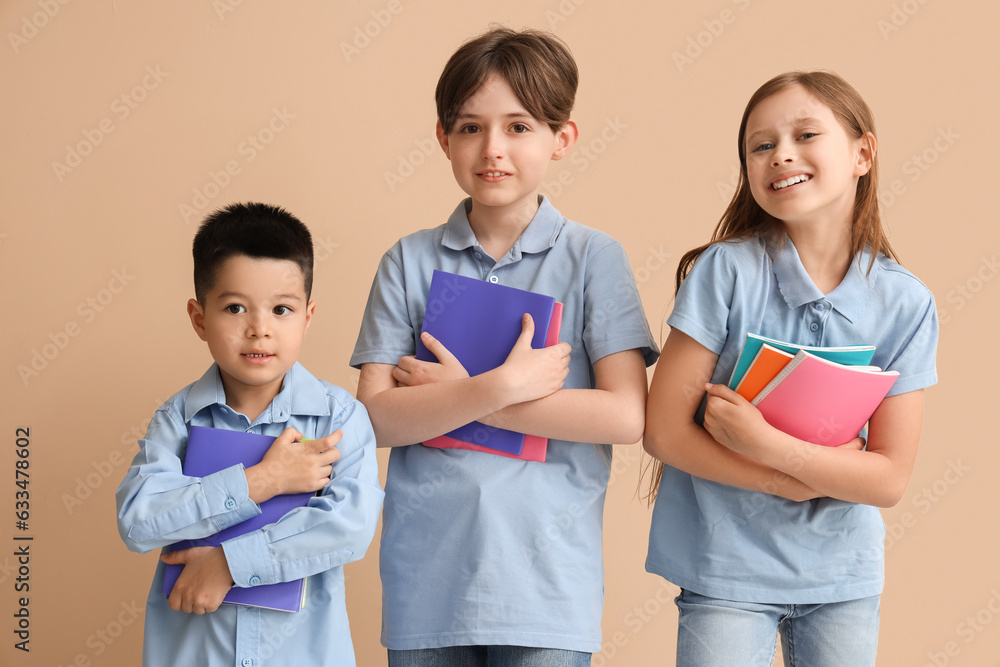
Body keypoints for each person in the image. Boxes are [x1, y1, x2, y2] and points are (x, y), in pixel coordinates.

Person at [351, 27, 658, 667]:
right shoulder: (407, 262)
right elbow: (376, 419)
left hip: (548, 585)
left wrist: (459, 398)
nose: (493, 149)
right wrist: (499, 385)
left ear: (562, 138)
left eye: (519, 127)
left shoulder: (593, 258)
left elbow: (626, 415)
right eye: (470, 128)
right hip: (427, 581)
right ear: (443, 137)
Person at [643, 71, 939, 666]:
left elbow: (888, 478)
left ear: (863, 153)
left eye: (806, 135)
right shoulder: (725, 273)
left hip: (842, 578)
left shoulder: (906, 302)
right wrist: (786, 477)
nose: (782, 156)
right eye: (761, 145)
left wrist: (768, 444)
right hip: (723, 570)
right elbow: (663, 431)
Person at [116, 202, 383, 667]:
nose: (259, 329)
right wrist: (264, 480)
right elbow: (139, 521)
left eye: (282, 309)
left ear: (308, 315)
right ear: (199, 318)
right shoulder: (178, 419)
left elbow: (348, 528)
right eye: (235, 308)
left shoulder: (339, 416)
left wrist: (228, 566)